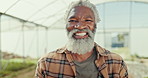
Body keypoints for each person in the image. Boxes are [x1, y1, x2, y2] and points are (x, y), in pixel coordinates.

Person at [35, 0, 128, 78]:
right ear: (66, 25)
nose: (79, 26)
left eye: (87, 20)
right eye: (72, 20)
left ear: (95, 26)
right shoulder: (47, 63)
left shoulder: (116, 63)